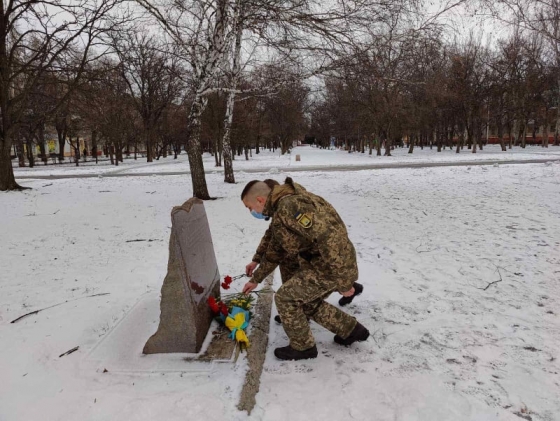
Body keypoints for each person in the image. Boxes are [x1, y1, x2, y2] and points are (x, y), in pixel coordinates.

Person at [241, 177, 370, 361]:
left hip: (330, 264)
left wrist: (343, 281)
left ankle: (303, 347)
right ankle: (351, 330)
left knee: (286, 298)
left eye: (249, 207)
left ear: (260, 200)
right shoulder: (285, 203)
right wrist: (256, 278)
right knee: (304, 301)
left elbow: (329, 239)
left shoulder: (289, 206)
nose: (251, 211)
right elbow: (276, 248)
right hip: (325, 262)